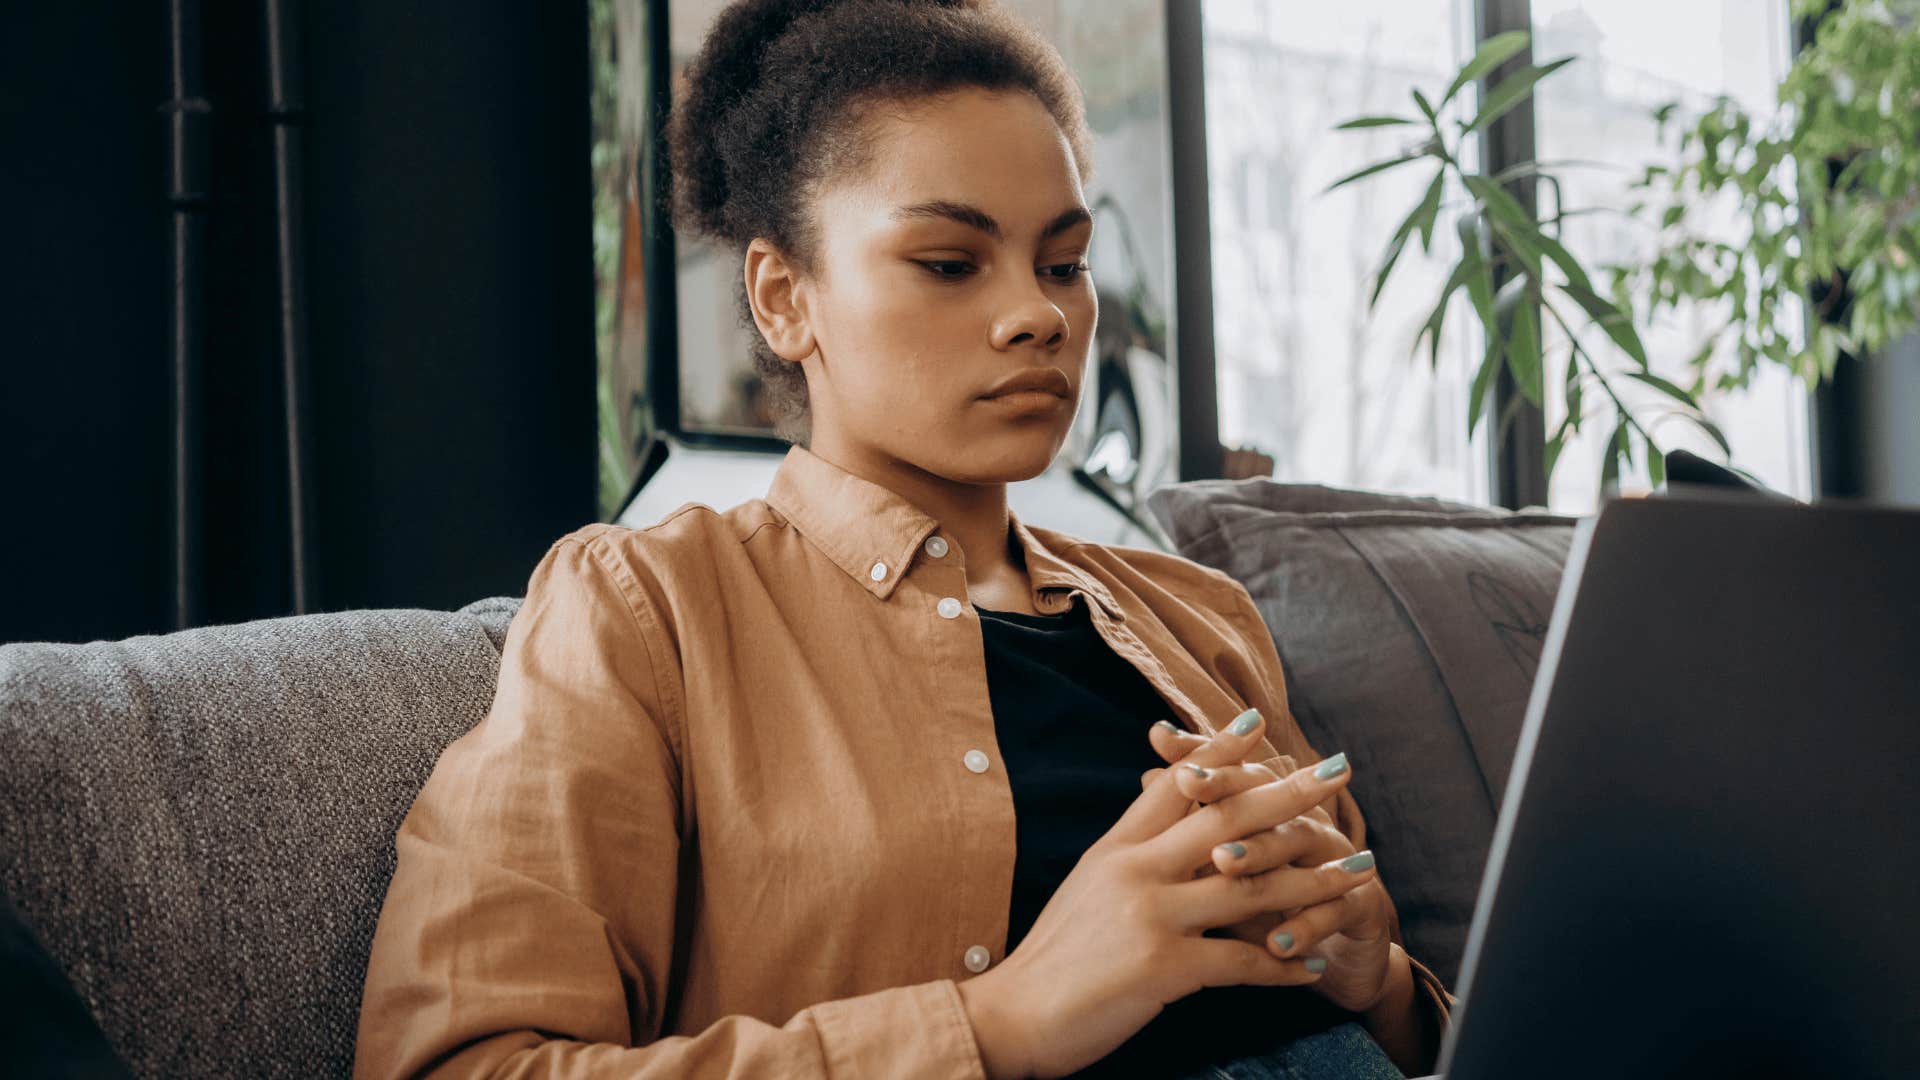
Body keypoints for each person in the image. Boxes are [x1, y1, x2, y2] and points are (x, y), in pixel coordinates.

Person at [353, 1, 1453, 1076]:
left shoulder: (1199, 615)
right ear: (785, 298)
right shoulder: (644, 611)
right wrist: (1002, 1022)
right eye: (949, 262)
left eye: (1063, 264)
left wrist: (1388, 989)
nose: (1040, 316)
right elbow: (460, 1061)